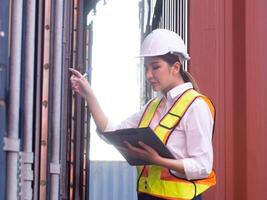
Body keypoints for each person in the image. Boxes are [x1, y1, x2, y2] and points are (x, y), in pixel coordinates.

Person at [69, 29, 216, 200]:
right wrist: (89, 94)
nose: (148, 75)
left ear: (175, 67)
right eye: (146, 68)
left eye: (155, 67)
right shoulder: (152, 107)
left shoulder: (196, 106)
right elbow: (110, 131)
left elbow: (203, 166)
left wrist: (157, 159)